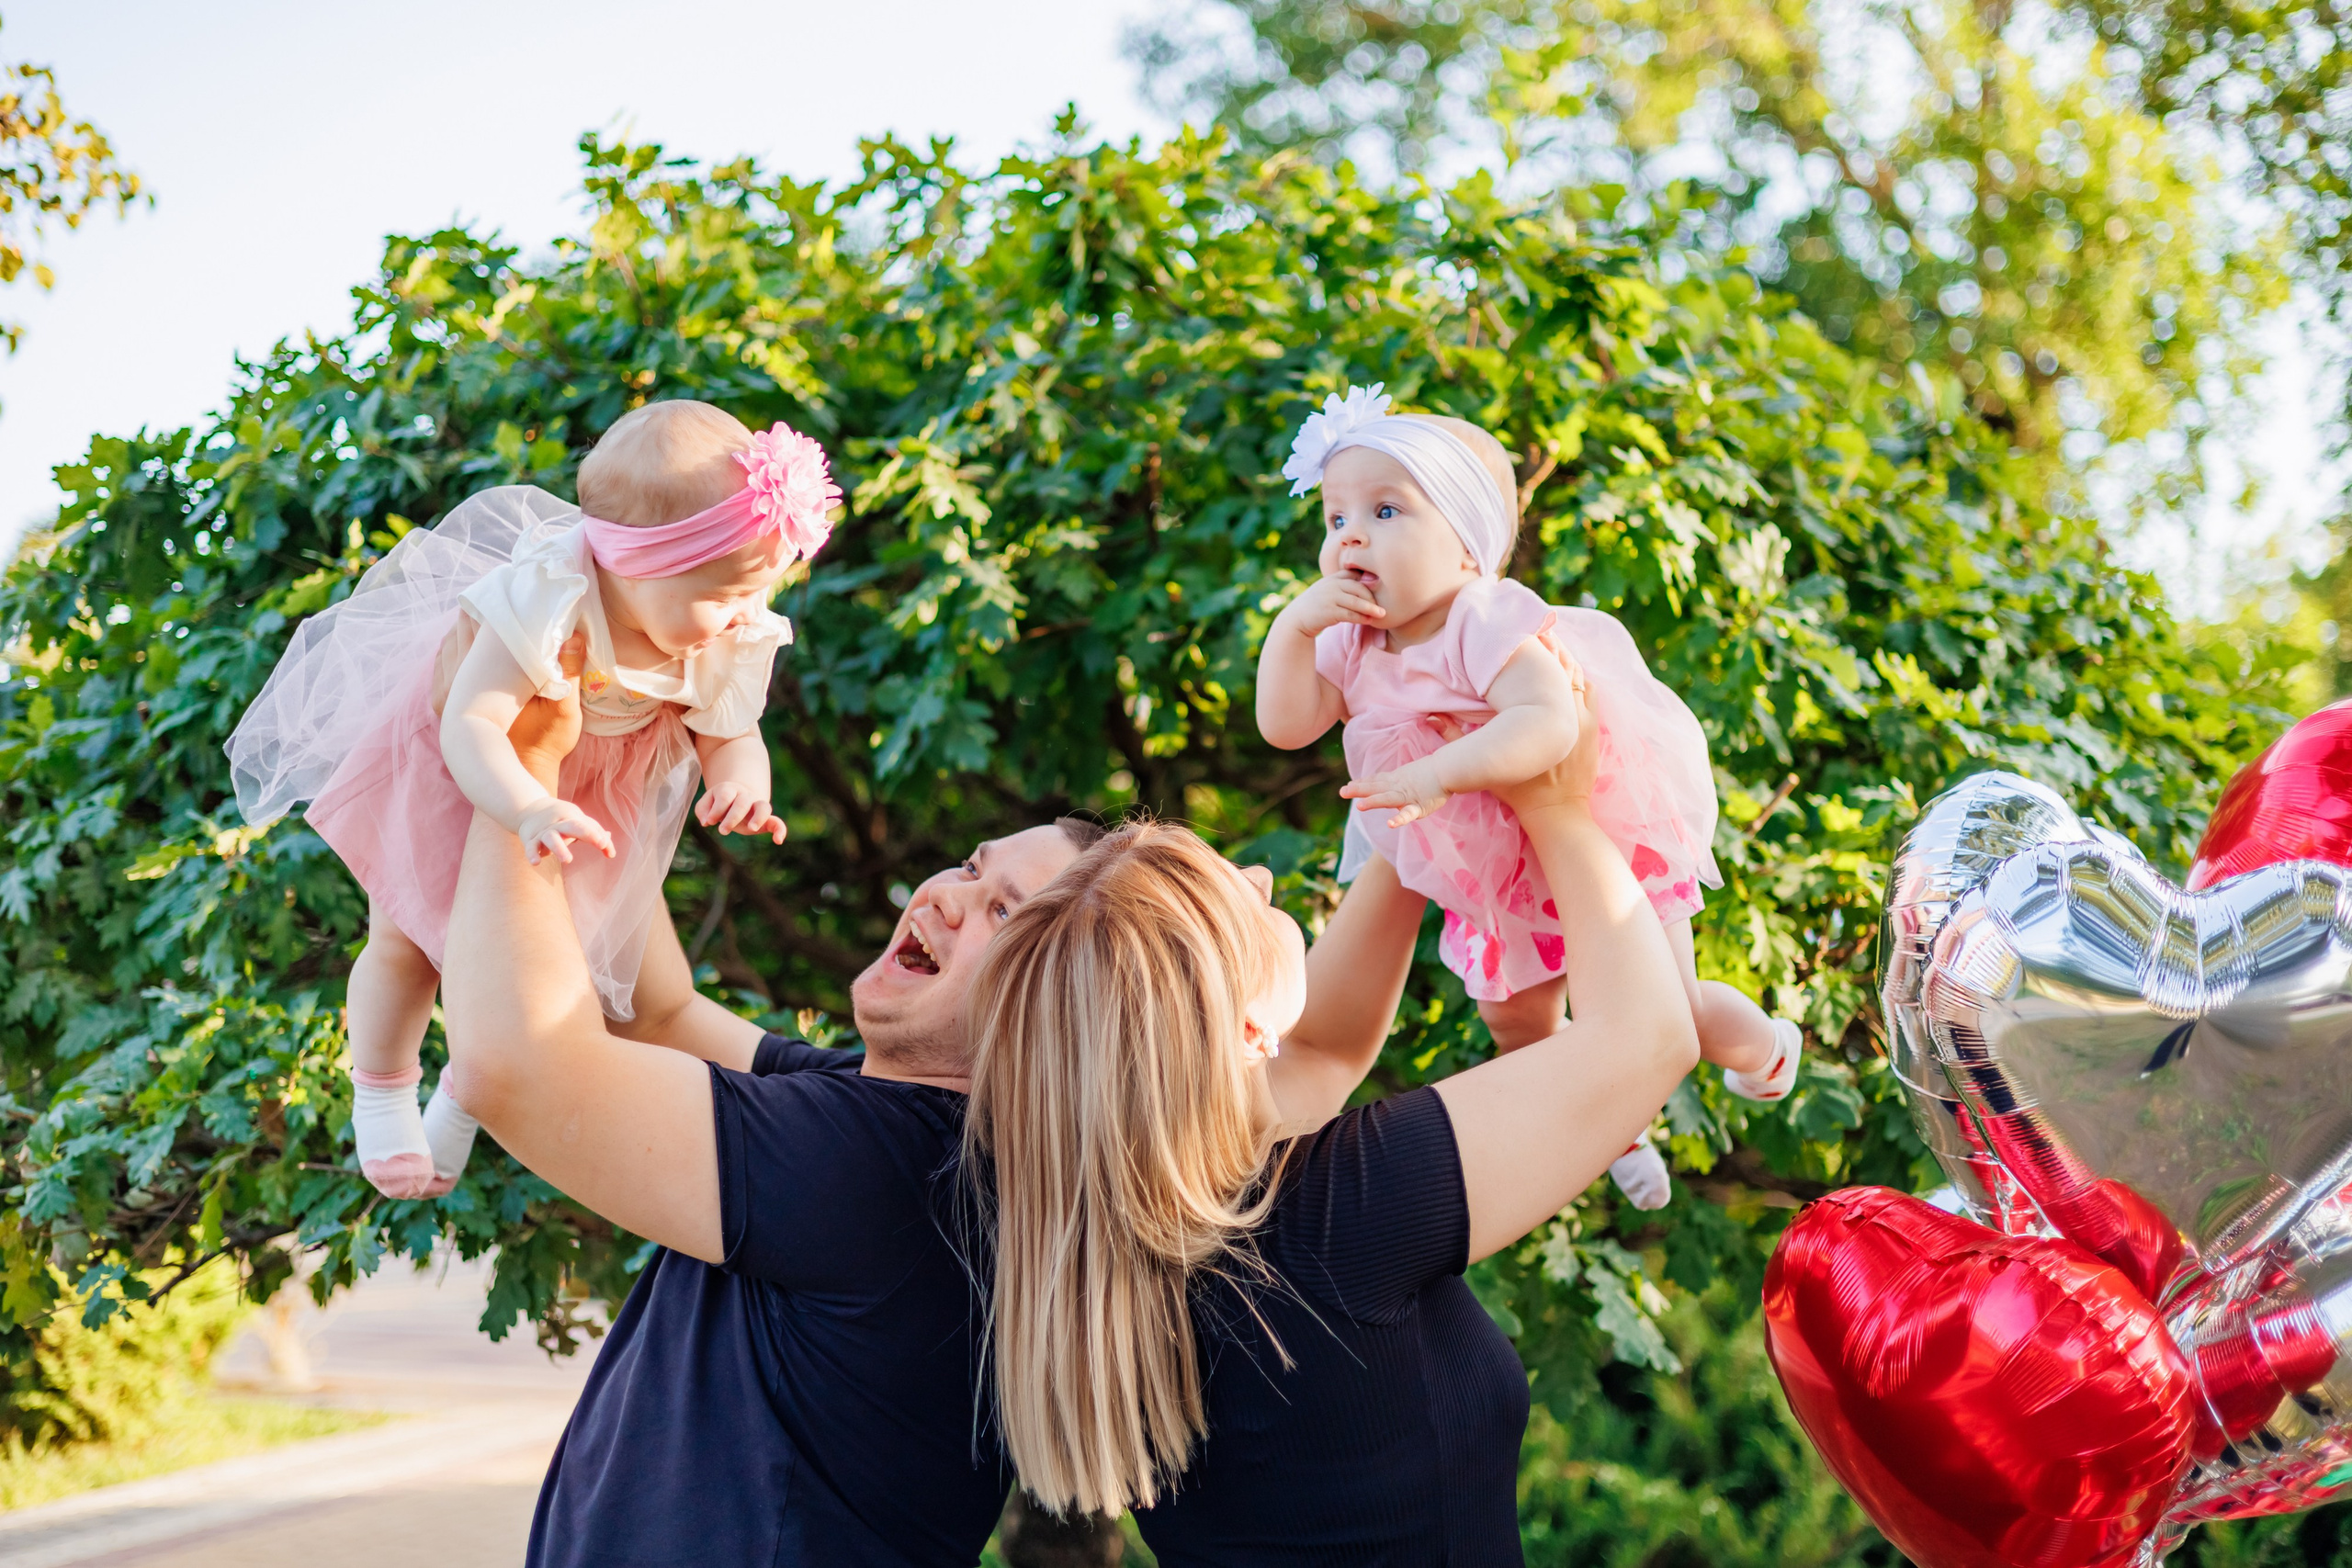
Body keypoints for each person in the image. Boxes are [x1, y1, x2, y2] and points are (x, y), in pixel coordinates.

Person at [435, 640, 1436, 1566]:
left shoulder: (873, 1166)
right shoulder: (937, 1136)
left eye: (1002, 912)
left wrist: (515, 759)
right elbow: (658, 1012)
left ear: (1054, 1004)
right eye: (971, 867)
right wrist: (612, 752)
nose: (946, 896)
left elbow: (513, 1066)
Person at [962, 672, 1700, 1563]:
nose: (1266, 877)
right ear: (1240, 1028)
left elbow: (1324, 1046)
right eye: (1248, 902)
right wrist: (1556, 803)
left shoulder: (1128, 1235)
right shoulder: (1339, 1219)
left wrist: (1426, 782)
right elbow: (1650, 1040)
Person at [227, 400, 832, 1197]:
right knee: (408, 945)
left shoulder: (724, 626)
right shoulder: (549, 597)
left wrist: (740, 785)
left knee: (547, 967)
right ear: (640, 567)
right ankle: (380, 1087)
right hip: (465, 776)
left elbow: (731, 732)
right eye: (720, 597)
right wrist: (524, 804)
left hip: (583, 796)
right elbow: (473, 723)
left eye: (747, 598)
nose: (735, 621)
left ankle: (465, 1100)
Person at [1256, 382, 1801, 1206]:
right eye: (1335, 519)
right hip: (1495, 874)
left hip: (1599, 838)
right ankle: (1611, 1129)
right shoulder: (1350, 641)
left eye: (1387, 511)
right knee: (1518, 1025)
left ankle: (1765, 1046)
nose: (1351, 536)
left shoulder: (1482, 616)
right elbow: (1286, 726)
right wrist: (1291, 628)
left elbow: (1547, 725)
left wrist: (1437, 772)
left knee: (1669, 1007)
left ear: (1468, 546)